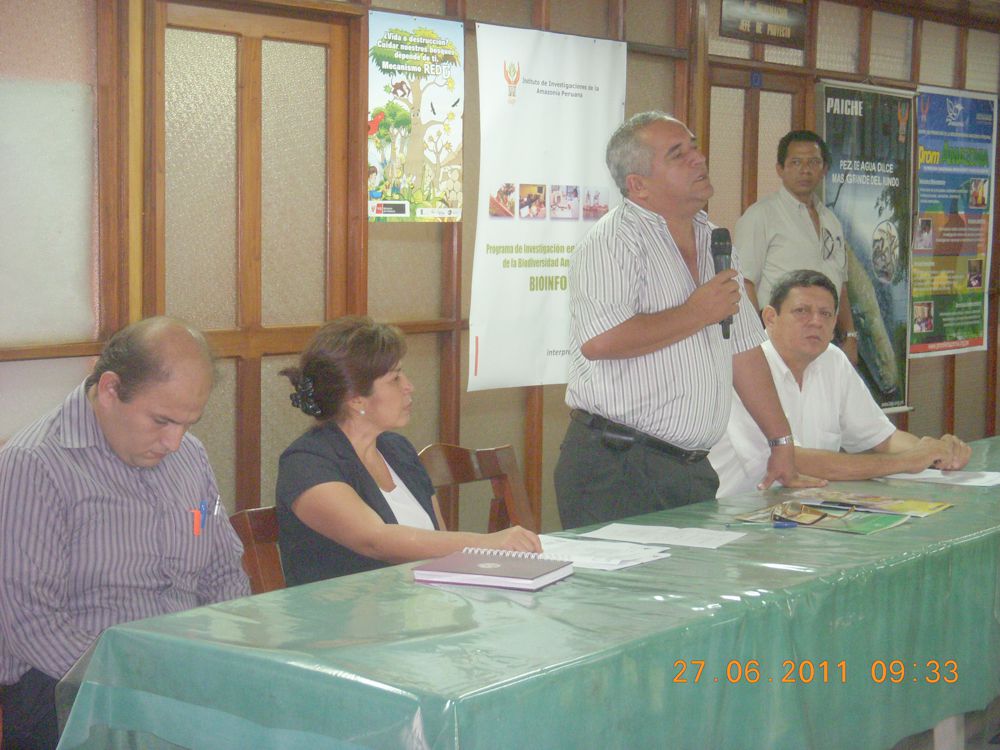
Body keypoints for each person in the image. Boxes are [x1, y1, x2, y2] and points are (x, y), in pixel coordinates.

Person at [554, 111, 821, 529]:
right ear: (638, 185)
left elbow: (745, 350)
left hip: (691, 468)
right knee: (626, 596)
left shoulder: (715, 239)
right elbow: (600, 341)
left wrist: (781, 440)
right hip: (617, 468)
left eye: (694, 146)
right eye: (678, 154)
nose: (699, 158)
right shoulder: (611, 242)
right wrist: (696, 312)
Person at [0, 317, 249, 750]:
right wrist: (141, 684)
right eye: (162, 421)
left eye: (188, 423)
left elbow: (222, 571)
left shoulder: (190, 456)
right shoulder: (34, 465)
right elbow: (32, 623)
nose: (175, 442)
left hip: (182, 674)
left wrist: (229, 656)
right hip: (72, 689)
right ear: (111, 389)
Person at [275, 316, 540, 586]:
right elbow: (376, 540)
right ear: (355, 399)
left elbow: (438, 539)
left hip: (419, 609)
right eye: (395, 378)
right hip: (343, 620)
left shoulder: (397, 449)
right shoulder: (307, 464)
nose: (409, 386)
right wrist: (484, 543)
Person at [710, 270, 971, 497]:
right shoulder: (743, 367)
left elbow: (883, 438)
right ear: (770, 317)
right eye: (801, 311)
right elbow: (790, 460)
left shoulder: (833, 360)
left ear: (835, 322)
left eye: (825, 314)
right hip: (738, 512)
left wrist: (937, 452)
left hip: (808, 510)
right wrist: (908, 460)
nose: (815, 321)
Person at [734, 130, 860, 365]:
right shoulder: (760, 216)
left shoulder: (831, 220)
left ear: (824, 169)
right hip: (779, 343)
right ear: (780, 169)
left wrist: (851, 336)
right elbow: (744, 283)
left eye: (814, 162)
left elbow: (840, 284)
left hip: (826, 340)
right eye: (795, 162)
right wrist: (758, 341)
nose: (805, 170)